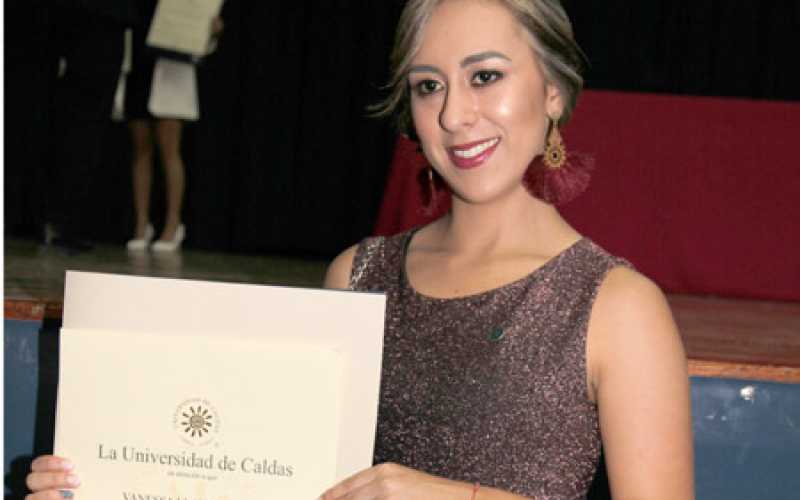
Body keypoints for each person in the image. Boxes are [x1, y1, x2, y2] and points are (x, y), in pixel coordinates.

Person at [25, 0, 694, 498]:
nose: (455, 115)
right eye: (429, 85)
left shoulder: (617, 306)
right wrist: (98, 481)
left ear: (552, 89)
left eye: (485, 76)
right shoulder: (358, 275)